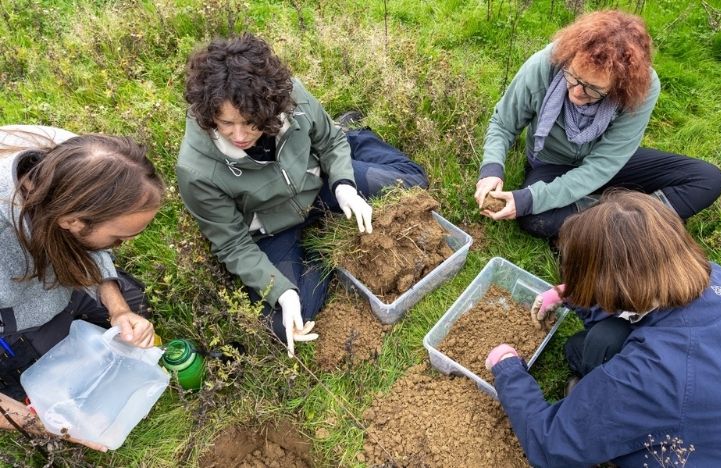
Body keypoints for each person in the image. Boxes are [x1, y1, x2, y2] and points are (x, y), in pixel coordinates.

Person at [176, 34, 428, 356]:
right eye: (226, 123)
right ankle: (316, 247)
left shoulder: (291, 97)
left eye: (251, 123)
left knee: (413, 183)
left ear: (270, 107)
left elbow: (330, 143)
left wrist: (344, 186)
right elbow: (231, 244)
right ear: (208, 113)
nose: (239, 135)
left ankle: (355, 134)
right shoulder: (196, 170)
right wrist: (282, 291)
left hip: (318, 183)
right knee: (288, 324)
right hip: (273, 230)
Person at [485, 191, 721, 466]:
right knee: (586, 346)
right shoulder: (711, 277)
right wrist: (570, 294)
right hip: (718, 399)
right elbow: (634, 298)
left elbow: (549, 446)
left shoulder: (647, 375)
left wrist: (507, 368)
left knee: (592, 373)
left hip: (704, 454)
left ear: (611, 283)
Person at [473, 10, 721, 239]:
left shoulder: (642, 88)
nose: (576, 92)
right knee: (536, 219)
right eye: (572, 77)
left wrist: (534, 197)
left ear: (620, 86)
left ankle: (613, 215)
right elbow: (503, 123)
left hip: (609, 163)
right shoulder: (546, 63)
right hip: (553, 163)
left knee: (707, 179)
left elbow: (604, 164)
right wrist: (492, 170)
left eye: (593, 89)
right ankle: (634, 218)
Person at [0, 125, 163, 451]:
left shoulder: (71, 158)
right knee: (59, 399)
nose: (125, 245)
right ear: (72, 221)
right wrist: (48, 427)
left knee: (135, 305)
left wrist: (118, 310)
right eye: (119, 238)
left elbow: (95, 249)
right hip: (14, 322)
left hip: (61, 282)